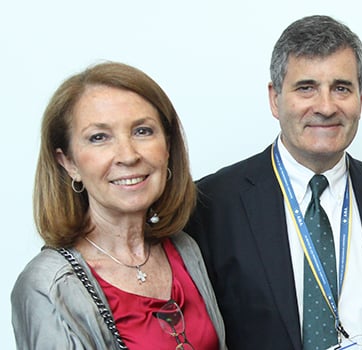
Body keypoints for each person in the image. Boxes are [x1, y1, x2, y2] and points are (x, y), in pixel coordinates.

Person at [185, 15, 362, 350]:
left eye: (341, 88)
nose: (325, 107)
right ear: (274, 98)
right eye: (306, 88)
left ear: (361, 100)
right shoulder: (211, 205)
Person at [11, 62, 226, 349]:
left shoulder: (184, 249)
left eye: (142, 131)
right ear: (69, 163)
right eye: (99, 137)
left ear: (167, 147)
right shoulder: (49, 285)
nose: (127, 155)